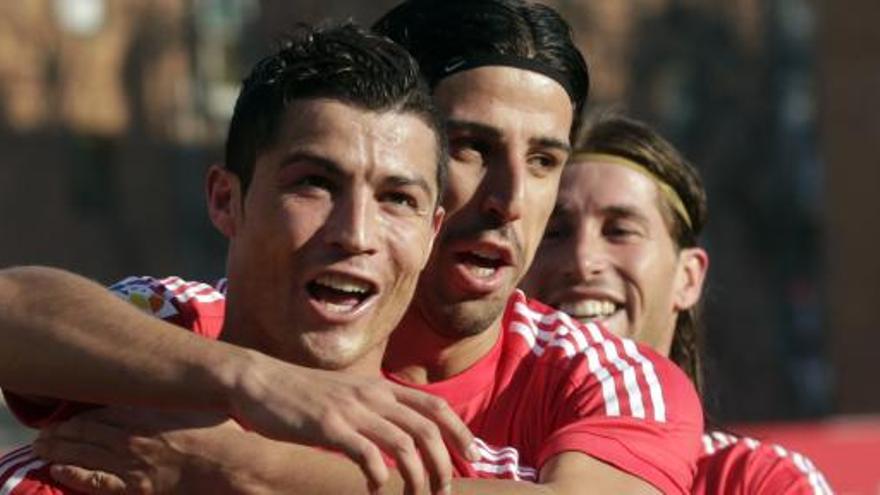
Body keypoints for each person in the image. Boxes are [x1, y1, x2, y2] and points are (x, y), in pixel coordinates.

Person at [1, 1, 704, 493]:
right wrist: (250, 378)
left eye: (547, 160)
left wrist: (241, 466)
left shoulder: (597, 382)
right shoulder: (184, 340)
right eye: (469, 147)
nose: (511, 197)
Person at [0, 21, 476, 495]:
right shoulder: (98, 456)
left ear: (432, 232)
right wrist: (254, 380)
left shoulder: (475, 468)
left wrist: (256, 470)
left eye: (397, 198)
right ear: (226, 199)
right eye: (314, 183)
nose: (355, 234)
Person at [520, 113, 833, 494]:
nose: (582, 261)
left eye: (619, 231)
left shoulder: (755, 482)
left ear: (688, 277)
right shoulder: (457, 454)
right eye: (555, 232)